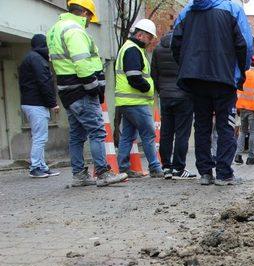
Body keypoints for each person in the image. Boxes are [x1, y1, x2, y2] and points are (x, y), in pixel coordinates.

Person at [172, 0, 253, 186]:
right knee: (225, 125)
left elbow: (175, 42)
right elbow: (245, 44)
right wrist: (240, 70)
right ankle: (224, 174)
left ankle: (205, 173)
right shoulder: (233, 9)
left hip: (195, 79)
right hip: (223, 78)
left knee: (202, 126)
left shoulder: (188, 9)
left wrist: (188, 66)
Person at [47, 0, 127, 187]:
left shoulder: (55, 29)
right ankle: (103, 173)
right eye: (90, 16)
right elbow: (82, 63)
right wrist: (94, 88)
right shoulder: (74, 30)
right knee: (97, 131)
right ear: (83, 13)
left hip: (68, 91)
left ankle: (79, 175)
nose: (90, 21)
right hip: (81, 90)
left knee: (76, 134)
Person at [115, 19, 163, 178]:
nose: (150, 42)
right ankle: (155, 167)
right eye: (150, 38)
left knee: (128, 136)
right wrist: (148, 87)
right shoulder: (133, 50)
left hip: (127, 102)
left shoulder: (128, 48)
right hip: (135, 102)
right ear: (141, 35)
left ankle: (123, 167)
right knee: (149, 134)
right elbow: (134, 76)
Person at [151, 30, 196, 180]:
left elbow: (154, 74)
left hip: (165, 96)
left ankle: (166, 167)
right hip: (183, 96)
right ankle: (179, 168)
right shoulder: (186, 47)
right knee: (182, 133)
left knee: (166, 132)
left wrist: (162, 90)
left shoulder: (158, 49)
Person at [18, 34, 60, 178]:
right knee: (40, 137)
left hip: (30, 102)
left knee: (39, 136)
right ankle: (35, 167)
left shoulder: (31, 58)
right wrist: (53, 103)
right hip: (36, 103)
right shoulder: (37, 59)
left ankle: (42, 166)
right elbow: (44, 82)